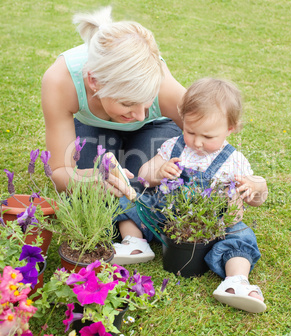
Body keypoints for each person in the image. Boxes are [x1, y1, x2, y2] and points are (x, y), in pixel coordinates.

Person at [113, 78, 268, 313]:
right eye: (190, 131)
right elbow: (144, 175)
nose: (197, 142)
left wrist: (255, 188)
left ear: (230, 127)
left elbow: (257, 198)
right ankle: (135, 243)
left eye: (208, 137)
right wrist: (158, 171)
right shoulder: (173, 146)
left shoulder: (234, 161)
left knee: (241, 237)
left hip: (212, 227)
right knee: (132, 200)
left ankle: (236, 281)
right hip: (165, 216)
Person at [41, 6, 184, 194]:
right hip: (93, 128)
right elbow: (59, 172)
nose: (141, 116)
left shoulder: (167, 90)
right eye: (127, 103)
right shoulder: (60, 81)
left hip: (156, 127)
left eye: (148, 100)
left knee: (138, 187)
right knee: (92, 197)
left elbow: (210, 137)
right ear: (94, 81)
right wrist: (86, 180)